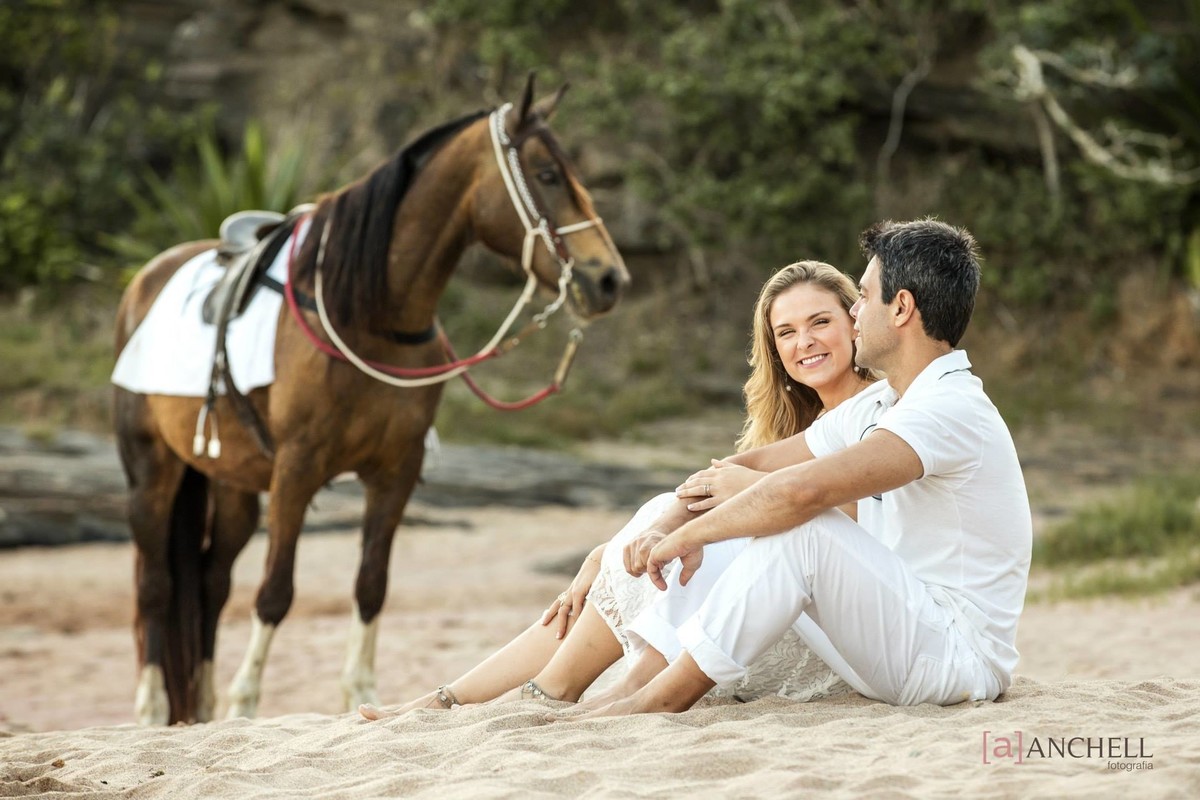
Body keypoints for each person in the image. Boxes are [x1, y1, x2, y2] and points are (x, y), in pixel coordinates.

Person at [359, 260, 881, 719]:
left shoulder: (883, 412)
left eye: (820, 322)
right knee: (644, 538)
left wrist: (746, 490)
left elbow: (874, 525)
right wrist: (608, 552)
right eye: (786, 332)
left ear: (854, 321)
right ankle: (458, 697)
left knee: (675, 534)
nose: (804, 342)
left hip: (841, 630)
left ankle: (541, 692)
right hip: (768, 617)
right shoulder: (803, 430)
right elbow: (709, 495)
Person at [565, 218, 1032, 718]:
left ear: (901, 308)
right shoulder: (889, 403)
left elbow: (799, 494)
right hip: (901, 627)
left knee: (802, 526)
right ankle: (635, 685)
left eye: (865, 295)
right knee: (745, 526)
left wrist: (686, 538)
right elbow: (753, 463)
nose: (854, 309)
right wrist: (670, 521)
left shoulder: (948, 407)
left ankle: (662, 698)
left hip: (955, 658)